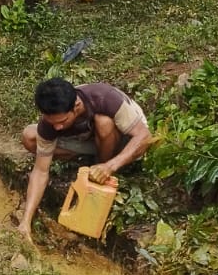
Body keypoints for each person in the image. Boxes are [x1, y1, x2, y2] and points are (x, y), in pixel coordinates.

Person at [17, 78, 151, 240]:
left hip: (125, 138)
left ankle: (101, 167)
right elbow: (40, 171)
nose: (57, 127)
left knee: (104, 122)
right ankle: (89, 158)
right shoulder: (50, 124)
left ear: (77, 106)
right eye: (53, 123)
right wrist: (26, 221)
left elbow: (144, 137)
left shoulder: (105, 98)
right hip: (89, 138)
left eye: (62, 121)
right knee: (30, 136)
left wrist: (109, 166)